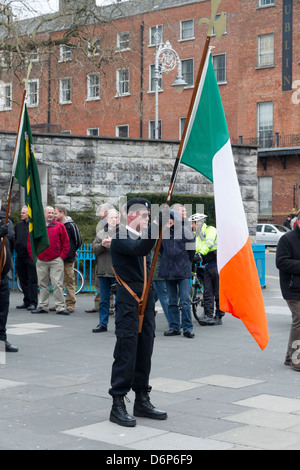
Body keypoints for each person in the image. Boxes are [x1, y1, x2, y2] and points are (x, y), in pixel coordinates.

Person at [109, 197, 168, 427]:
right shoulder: (120, 235)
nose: (147, 218)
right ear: (130, 215)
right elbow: (139, 249)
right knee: (127, 350)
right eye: (144, 215)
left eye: (148, 215)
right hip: (128, 300)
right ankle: (118, 402)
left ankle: (142, 398)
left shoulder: (141, 235)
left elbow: (148, 247)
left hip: (146, 298)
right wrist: (156, 226)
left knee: (145, 349)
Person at [159, 209, 195, 338]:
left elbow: (192, 251)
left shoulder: (186, 232)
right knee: (172, 301)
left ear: (175, 219)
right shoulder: (164, 233)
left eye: (170, 218)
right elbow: (162, 250)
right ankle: (174, 327)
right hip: (170, 270)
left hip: (182, 270)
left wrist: (183, 262)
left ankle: (187, 328)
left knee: (185, 300)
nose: (168, 221)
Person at [30, 206, 70, 315]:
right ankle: (43, 306)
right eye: (49, 213)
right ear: (44, 214)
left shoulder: (60, 226)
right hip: (41, 259)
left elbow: (66, 242)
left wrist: (61, 257)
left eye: (53, 213)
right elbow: (31, 242)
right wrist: (34, 256)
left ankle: (60, 307)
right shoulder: (38, 227)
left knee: (57, 284)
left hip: (56, 259)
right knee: (43, 284)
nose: (51, 215)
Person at [190, 213, 224, 325]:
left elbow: (208, 244)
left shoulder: (211, 230)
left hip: (215, 264)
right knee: (208, 292)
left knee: (217, 291)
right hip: (207, 265)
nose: (191, 226)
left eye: (192, 223)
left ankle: (219, 316)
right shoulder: (196, 235)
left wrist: (200, 254)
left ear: (199, 222)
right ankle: (208, 315)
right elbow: (196, 248)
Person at [276, 213, 300, 371]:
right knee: (299, 321)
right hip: (293, 288)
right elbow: (281, 262)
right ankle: (296, 359)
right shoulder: (287, 239)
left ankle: (288, 357)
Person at [92, 208, 119, 333]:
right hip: (103, 272)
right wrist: (102, 244)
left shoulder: (123, 233)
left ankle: (120, 323)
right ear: (107, 219)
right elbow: (94, 249)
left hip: (117, 272)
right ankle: (103, 323)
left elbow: (128, 248)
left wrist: (113, 243)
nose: (114, 220)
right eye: (111, 217)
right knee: (104, 300)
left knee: (119, 300)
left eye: (116, 217)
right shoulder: (101, 233)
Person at [85, 202, 114, 314]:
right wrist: (102, 244)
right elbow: (95, 245)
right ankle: (99, 305)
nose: (99, 213)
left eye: (101, 210)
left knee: (108, 286)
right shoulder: (102, 226)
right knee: (100, 285)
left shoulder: (107, 225)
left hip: (109, 262)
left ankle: (108, 306)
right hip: (101, 260)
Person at [54, 205, 82, 313]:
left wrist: (72, 251)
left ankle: (70, 304)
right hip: (57, 257)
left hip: (68, 258)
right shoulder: (55, 225)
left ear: (62, 213)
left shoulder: (71, 225)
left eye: (55, 213)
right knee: (57, 282)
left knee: (69, 281)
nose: (54, 215)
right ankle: (59, 303)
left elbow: (78, 240)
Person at [14, 206, 38, 311]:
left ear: (28, 214)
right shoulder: (18, 225)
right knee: (22, 279)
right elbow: (14, 238)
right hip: (20, 255)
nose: (21, 214)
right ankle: (26, 300)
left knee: (32, 280)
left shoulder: (33, 225)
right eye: (21, 212)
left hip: (30, 256)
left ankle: (33, 302)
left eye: (23, 212)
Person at [0, 222, 18, 352]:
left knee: (3, 310)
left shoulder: (3, 220)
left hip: (2, 276)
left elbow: (11, 236)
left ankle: (1, 340)